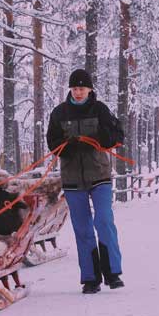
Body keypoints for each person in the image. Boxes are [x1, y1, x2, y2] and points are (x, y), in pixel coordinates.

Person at [46, 68, 126, 294]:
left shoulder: (100, 109)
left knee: (103, 220)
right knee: (82, 228)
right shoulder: (59, 113)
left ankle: (112, 273)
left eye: (82, 88)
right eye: (75, 88)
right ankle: (90, 278)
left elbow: (117, 135)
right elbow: (52, 142)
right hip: (72, 178)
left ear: (90, 89)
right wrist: (68, 145)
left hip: (99, 175)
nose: (78, 92)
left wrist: (97, 138)